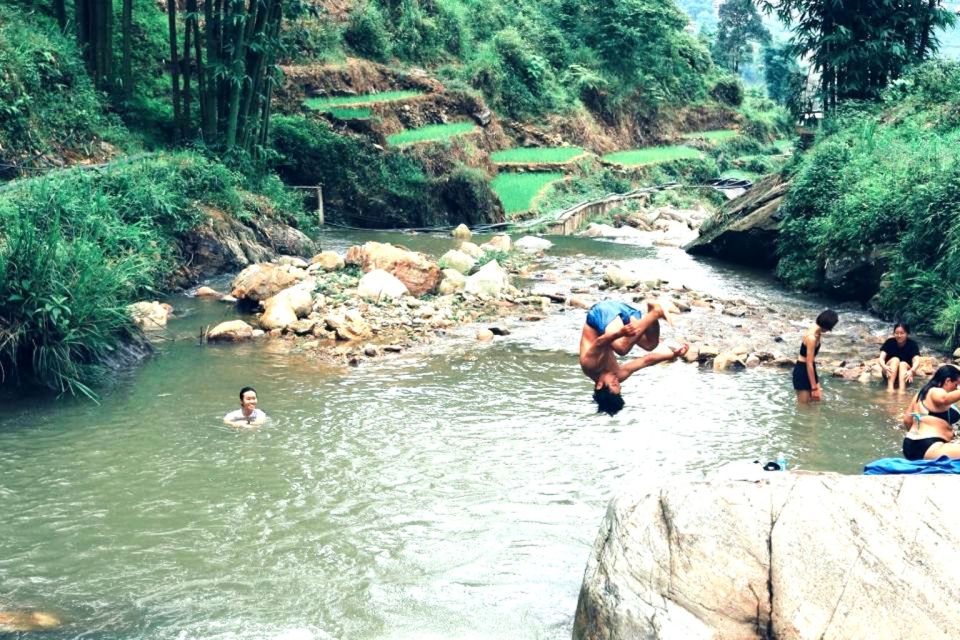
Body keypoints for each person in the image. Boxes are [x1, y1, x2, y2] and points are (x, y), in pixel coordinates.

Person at [579, 299, 688, 416]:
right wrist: (673, 355)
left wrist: (620, 333)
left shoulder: (589, 366)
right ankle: (652, 310)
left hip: (602, 312)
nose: (617, 381)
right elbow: (646, 360)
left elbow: (600, 342)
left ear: (599, 385)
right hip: (622, 317)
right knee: (650, 344)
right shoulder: (618, 375)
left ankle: (656, 312)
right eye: (619, 386)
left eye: (614, 384)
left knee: (622, 348)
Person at [901, 365, 960, 460]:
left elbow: (907, 420)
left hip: (911, 444)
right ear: (948, 381)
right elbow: (945, 399)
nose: (956, 389)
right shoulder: (935, 391)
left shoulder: (920, 394)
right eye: (956, 385)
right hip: (929, 445)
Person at [792, 309, 839, 403]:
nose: (830, 330)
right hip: (802, 371)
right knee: (804, 408)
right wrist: (814, 388)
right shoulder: (812, 338)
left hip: (809, 369)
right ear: (827, 325)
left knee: (816, 402)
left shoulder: (816, 329)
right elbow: (809, 363)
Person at [878, 322, 921, 391]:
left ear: (907, 334)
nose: (899, 335)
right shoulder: (889, 342)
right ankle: (890, 389)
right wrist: (884, 367)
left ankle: (902, 390)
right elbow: (881, 358)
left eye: (902, 333)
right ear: (894, 333)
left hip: (905, 374)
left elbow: (917, 361)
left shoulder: (912, 344)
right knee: (895, 359)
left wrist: (912, 371)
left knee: (903, 364)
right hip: (888, 372)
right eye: (896, 333)